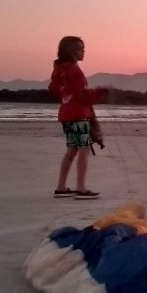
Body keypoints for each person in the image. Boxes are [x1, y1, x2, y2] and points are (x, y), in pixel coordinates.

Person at [49, 36, 107, 199]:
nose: (84, 52)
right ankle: (81, 188)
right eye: (81, 49)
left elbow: (53, 88)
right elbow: (82, 96)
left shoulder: (60, 70)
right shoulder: (73, 70)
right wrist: (100, 92)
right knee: (83, 151)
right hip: (79, 116)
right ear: (71, 51)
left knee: (71, 151)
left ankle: (61, 188)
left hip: (67, 116)